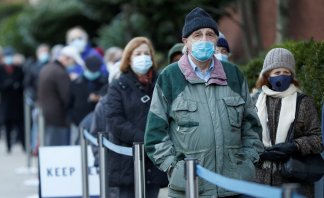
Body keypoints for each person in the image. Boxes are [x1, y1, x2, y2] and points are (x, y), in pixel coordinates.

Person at [144, 7, 263, 197]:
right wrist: (174, 169)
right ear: (186, 42)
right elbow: (155, 135)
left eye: (210, 34)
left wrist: (247, 163)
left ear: (217, 40)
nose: (204, 40)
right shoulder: (170, 77)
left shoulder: (233, 75)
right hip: (190, 188)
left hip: (234, 187)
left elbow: (252, 127)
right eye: (197, 35)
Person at [254, 48, 323, 197]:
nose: (282, 76)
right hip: (261, 181)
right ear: (267, 75)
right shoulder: (255, 103)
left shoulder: (304, 102)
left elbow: (317, 140)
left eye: (287, 72)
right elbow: (245, 138)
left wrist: (294, 146)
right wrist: (261, 154)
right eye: (277, 72)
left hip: (295, 182)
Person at [105, 37, 167, 198]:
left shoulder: (161, 82)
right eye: (137, 53)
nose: (143, 57)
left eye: (146, 53)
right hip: (127, 162)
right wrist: (144, 138)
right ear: (129, 58)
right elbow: (114, 120)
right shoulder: (118, 85)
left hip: (154, 160)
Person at [38, 46, 74, 146]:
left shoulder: (47, 68)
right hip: (58, 117)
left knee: (50, 146)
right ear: (67, 59)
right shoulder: (60, 72)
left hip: (47, 114)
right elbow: (66, 97)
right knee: (58, 148)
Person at [0, 47, 25, 153]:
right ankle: (8, 146)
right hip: (5, 101)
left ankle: (23, 145)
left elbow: (22, 83)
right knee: (7, 125)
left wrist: (17, 85)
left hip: (17, 101)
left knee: (20, 125)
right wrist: (7, 85)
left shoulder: (18, 68)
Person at [69, 55, 107, 127]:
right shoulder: (76, 82)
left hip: (98, 121)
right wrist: (73, 118)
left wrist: (100, 97)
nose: (92, 73)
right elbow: (70, 102)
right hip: (78, 120)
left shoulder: (105, 82)